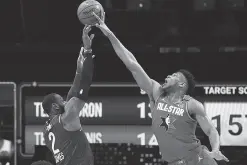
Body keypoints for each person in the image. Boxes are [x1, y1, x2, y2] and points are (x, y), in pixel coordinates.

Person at [93, 13, 229, 165]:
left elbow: (211, 130)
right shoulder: (156, 92)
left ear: (182, 85)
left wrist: (216, 149)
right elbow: (131, 63)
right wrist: (108, 33)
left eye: (174, 75)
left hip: (199, 159)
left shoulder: (191, 104)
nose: (168, 76)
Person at [42, 25, 95, 165]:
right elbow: (86, 82)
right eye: (62, 100)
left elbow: (71, 95)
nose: (65, 101)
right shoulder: (68, 116)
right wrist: (88, 51)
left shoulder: (47, 130)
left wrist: (78, 71)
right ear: (55, 106)